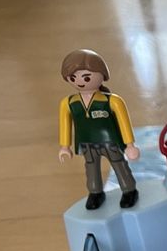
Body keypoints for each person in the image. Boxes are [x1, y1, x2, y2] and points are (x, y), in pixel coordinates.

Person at [58, 49, 140, 210]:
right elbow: (64, 124)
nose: (80, 82)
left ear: (102, 74)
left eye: (86, 77)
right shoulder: (68, 103)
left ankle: (129, 190)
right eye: (73, 78)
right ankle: (95, 192)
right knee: (91, 167)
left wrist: (130, 145)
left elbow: (124, 122)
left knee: (119, 165)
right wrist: (64, 146)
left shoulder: (112, 101)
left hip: (110, 142)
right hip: (87, 142)